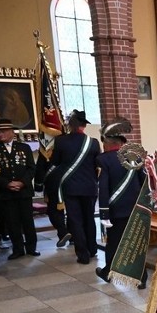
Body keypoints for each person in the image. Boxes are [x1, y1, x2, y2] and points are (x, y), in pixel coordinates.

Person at [95, 119, 148, 289]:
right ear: (121, 144)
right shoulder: (135, 158)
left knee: (114, 243)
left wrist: (104, 214)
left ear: (108, 144)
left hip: (116, 211)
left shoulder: (103, 160)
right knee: (137, 243)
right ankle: (141, 278)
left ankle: (108, 273)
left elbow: (103, 189)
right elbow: (144, 183)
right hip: (135, 210)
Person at [50, 110, 100, 264]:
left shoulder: (61, 141)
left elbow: (56, 162)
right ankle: (92, 249)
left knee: (75, 220)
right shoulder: (94, 143)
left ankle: (82, 254)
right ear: (84, 126)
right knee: (89, 219)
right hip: (90, 187)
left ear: (70, 125)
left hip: (70, 187)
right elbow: (97, 165)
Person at [0, 119, 39, 260]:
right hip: (6, 192)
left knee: (27, 220)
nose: (0, 134)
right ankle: (17, 249)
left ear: (12, 132)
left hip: (24, 191)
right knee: (12, 222)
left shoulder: (24, 147)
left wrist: (22, 182)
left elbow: (31, 168)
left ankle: (31, 247)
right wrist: (7, 184)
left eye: (3, 132)